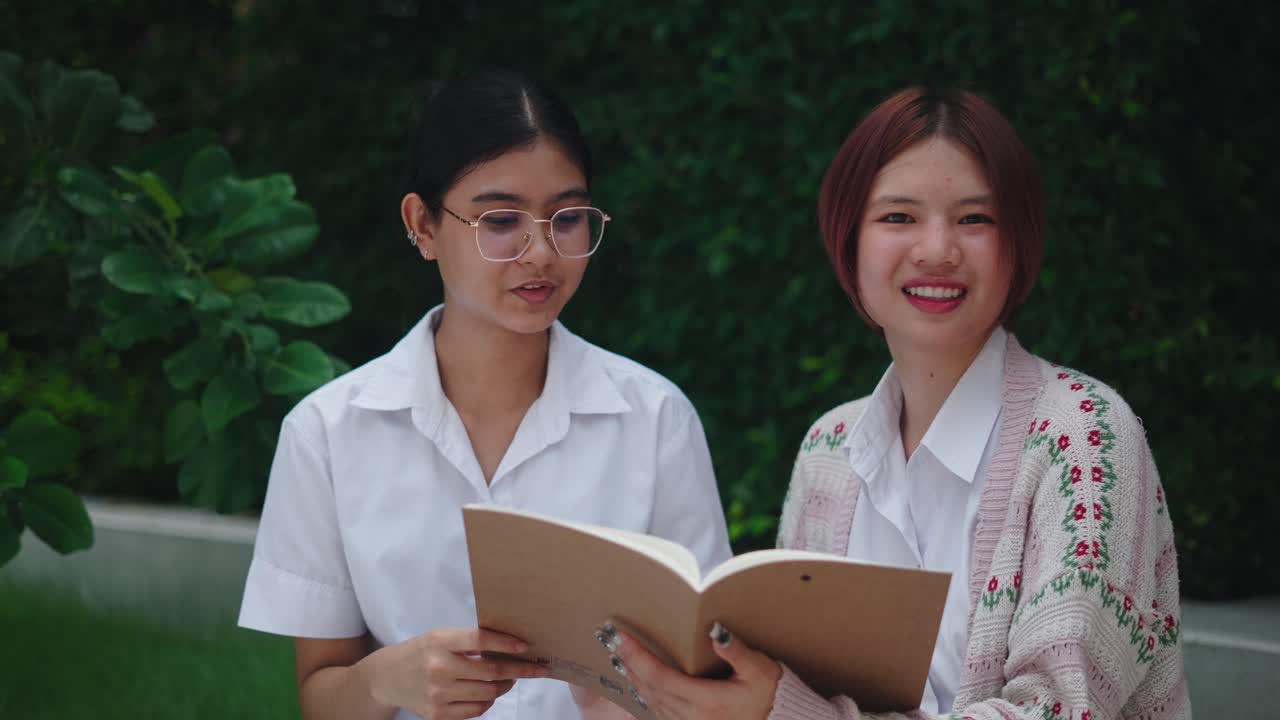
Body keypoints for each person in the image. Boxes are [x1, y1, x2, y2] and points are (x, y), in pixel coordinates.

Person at [600, 87, 1190, 720]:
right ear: (848, 244)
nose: (937, 250)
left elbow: (1061, 710)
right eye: (899, 217)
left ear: (1018, 245)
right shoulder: (828, 449)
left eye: (975, 219)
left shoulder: (1087, 437)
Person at [237, 68, 732, 720]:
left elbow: (706, 677)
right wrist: (389, 679)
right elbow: (322, 697)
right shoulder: (328, 433)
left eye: (568, 217)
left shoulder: (655, 419)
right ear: (422, 225)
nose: (541, 252)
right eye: (501, 219)